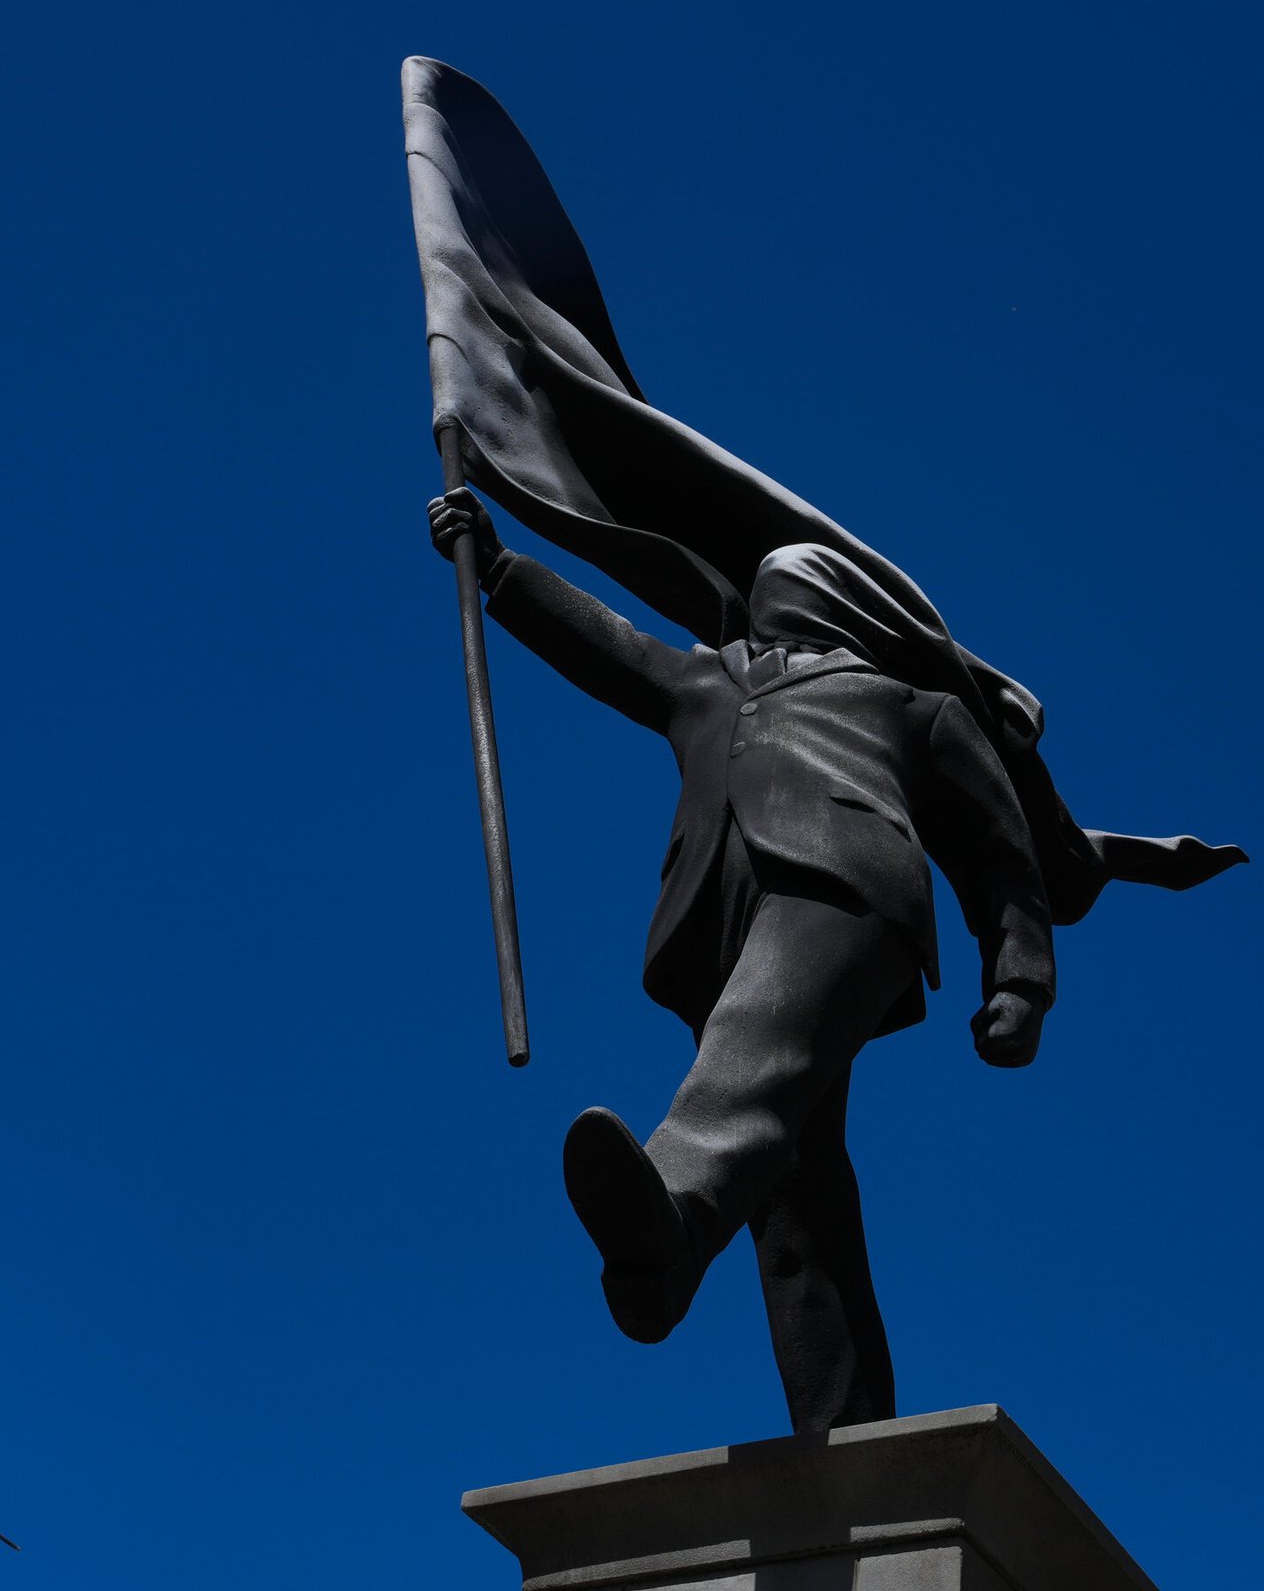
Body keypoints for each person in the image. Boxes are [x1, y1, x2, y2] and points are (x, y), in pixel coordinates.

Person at [430, 488, 1056, 1432]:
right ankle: (848, 1429)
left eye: (786, 581)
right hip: (715, 923)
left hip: (846, 887)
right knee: (794, 1186)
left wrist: (1020, 976)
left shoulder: (908, 706)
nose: (765, 592)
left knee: (751, 1055)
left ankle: (669, 1222)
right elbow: (610, 645)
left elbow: (1000, 848)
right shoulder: (705, 679)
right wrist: (501, 567)